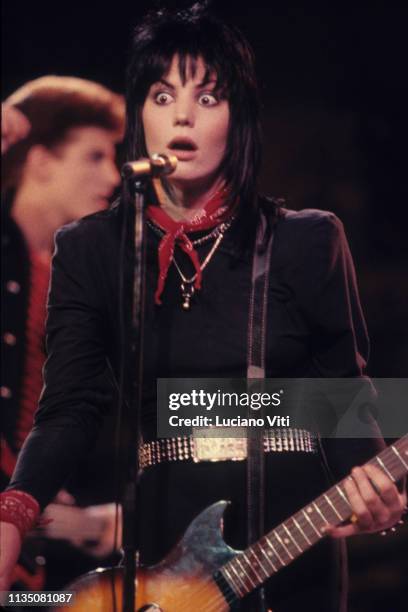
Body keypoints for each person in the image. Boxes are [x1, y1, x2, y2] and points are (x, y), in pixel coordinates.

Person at [0, 8, 405, 611]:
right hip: (167, 563)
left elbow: (344, 396)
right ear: (140, 115)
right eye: (162, 95)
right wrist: (12, 515)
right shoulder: (90, 249)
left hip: (297, 555)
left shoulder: (309, 239)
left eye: (208, 97)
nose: (182, 115)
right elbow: (69, 407)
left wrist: (377, 491)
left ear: (238, 117)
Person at [1, 76, 125, 589]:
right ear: (42, 160)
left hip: (31, 573)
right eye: (94, 157)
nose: (114, 177)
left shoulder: (69, 278)